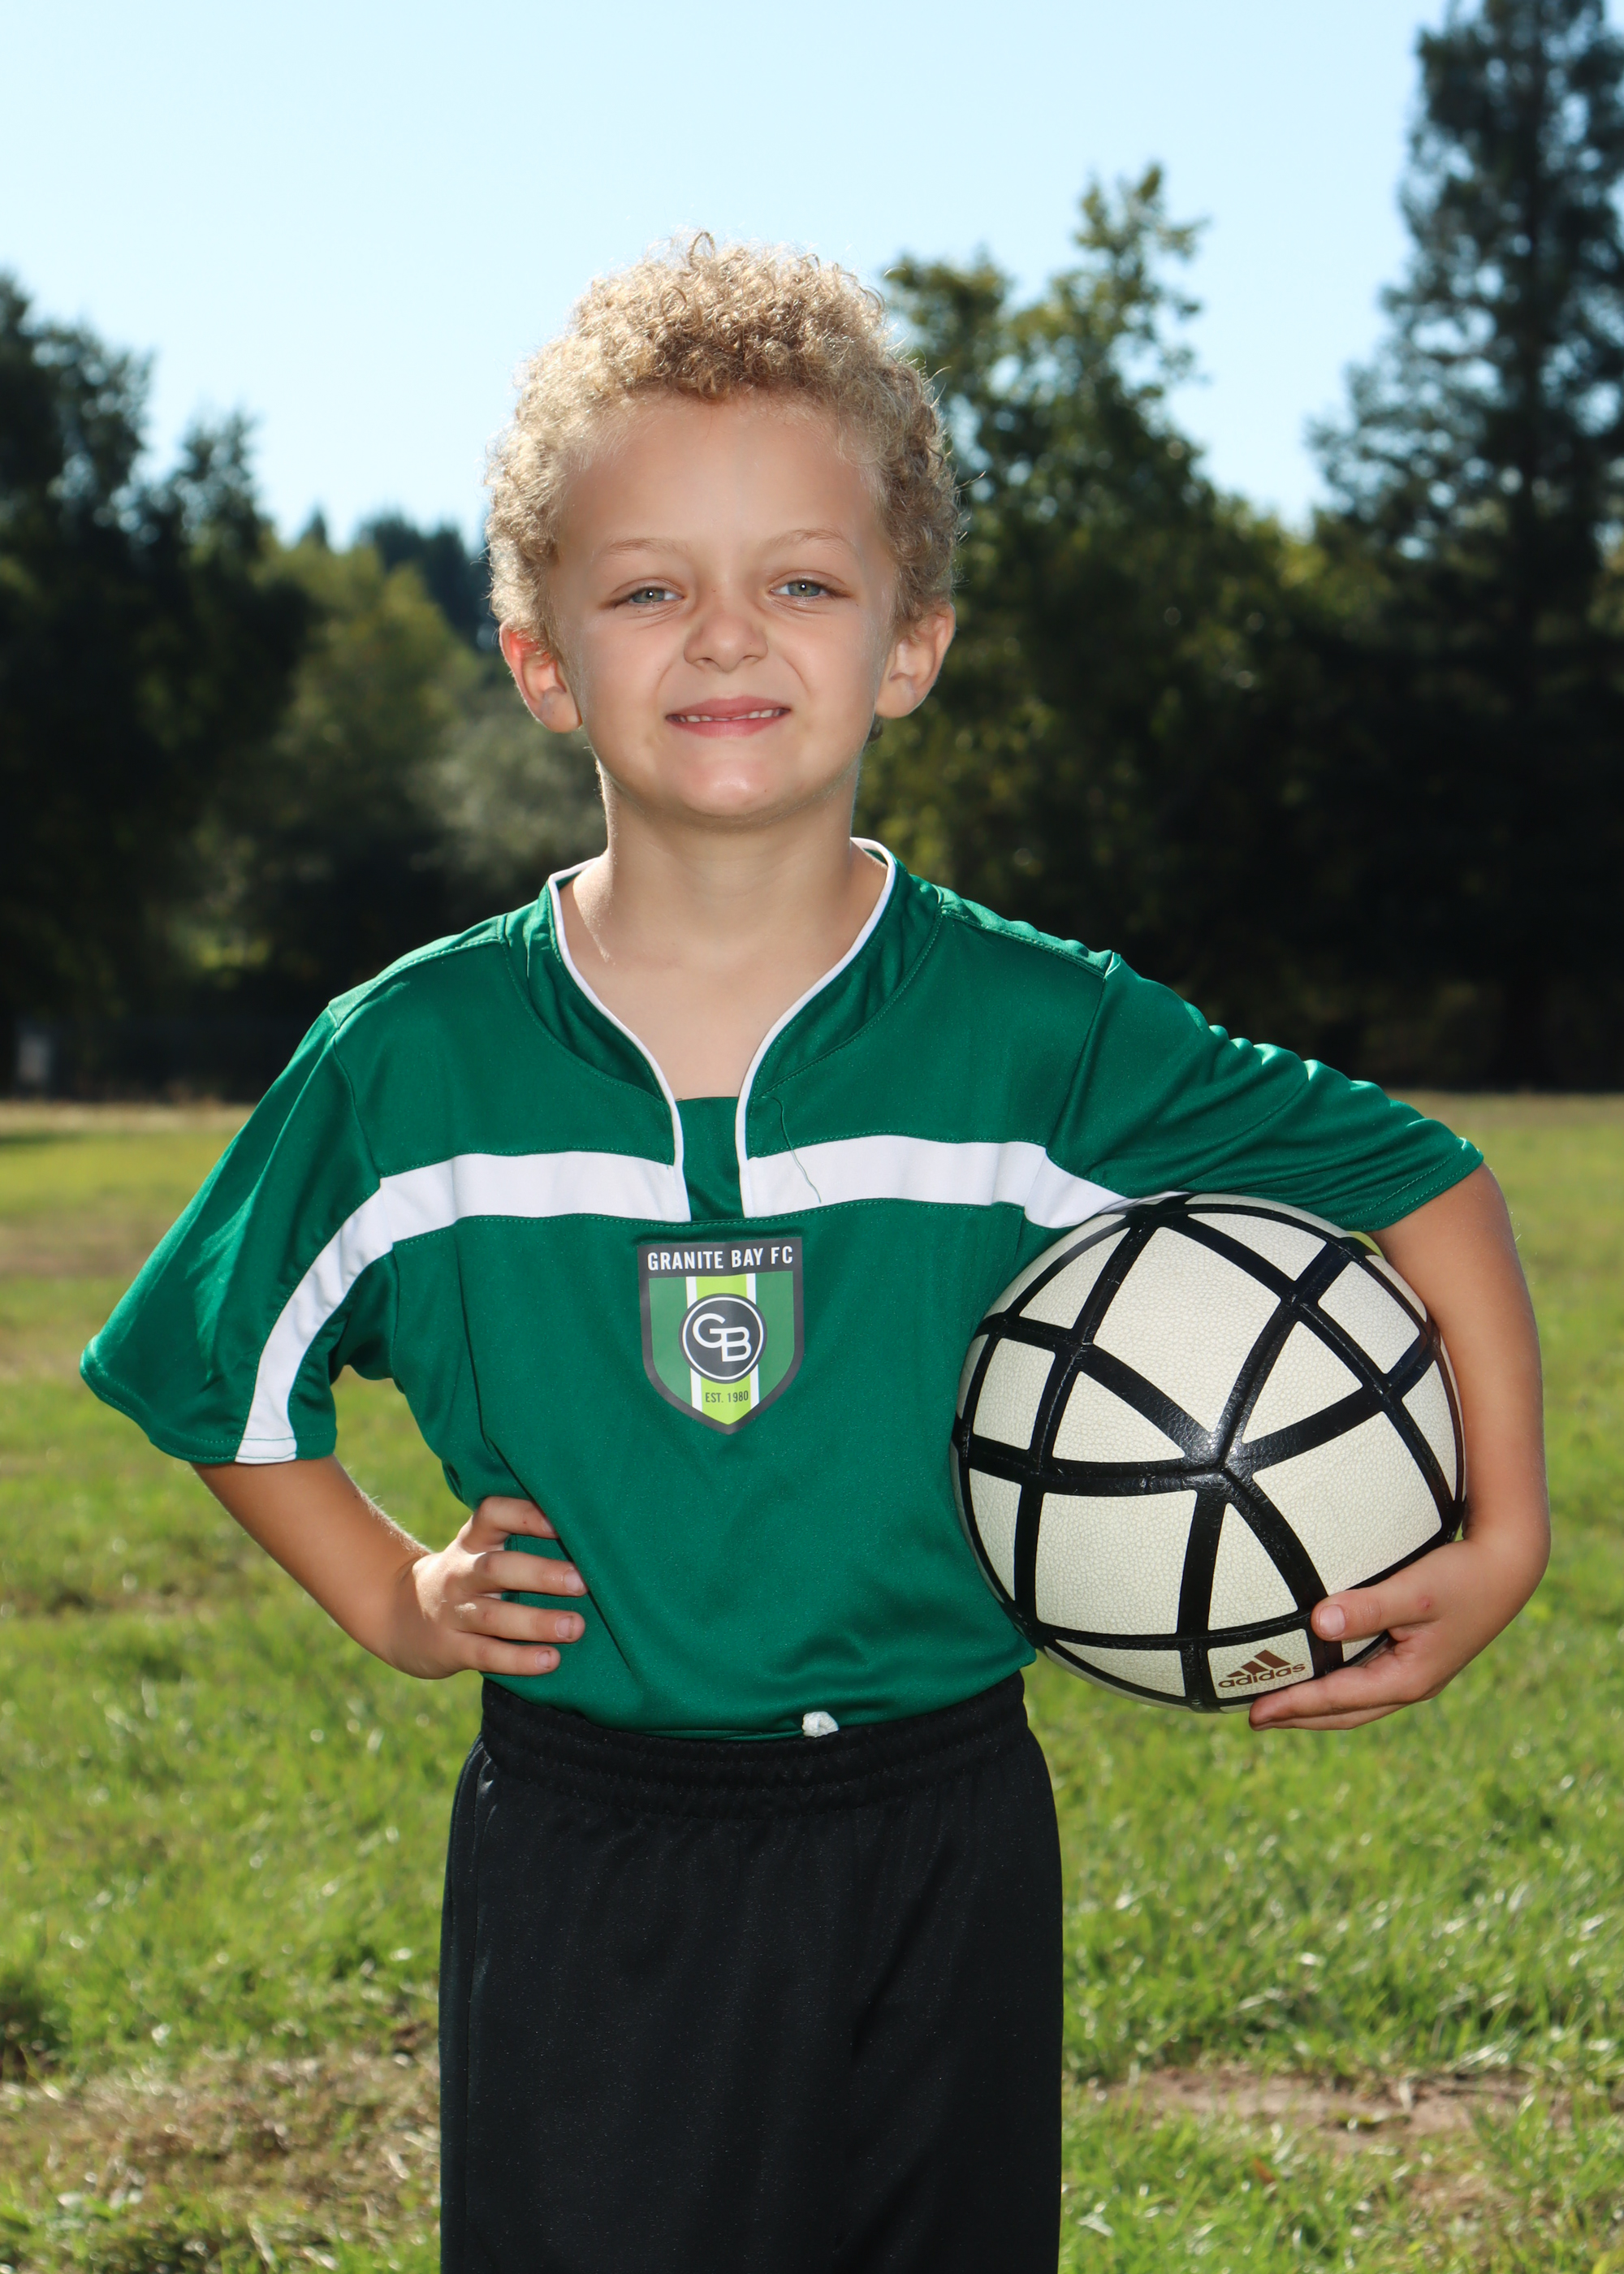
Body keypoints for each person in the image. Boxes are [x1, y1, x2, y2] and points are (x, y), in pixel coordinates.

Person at [81, 237, 1548, 2274]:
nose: (723, 634)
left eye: (800, 581)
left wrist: (1505, 1532)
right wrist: (396, 1598)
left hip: (948, 1826)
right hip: (591, 1840)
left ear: (908, 642)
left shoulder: (1035, 1031)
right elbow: (210, 1366)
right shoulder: (415, 1058)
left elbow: (1421, 1176)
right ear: (540, 658)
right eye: (646, 588)